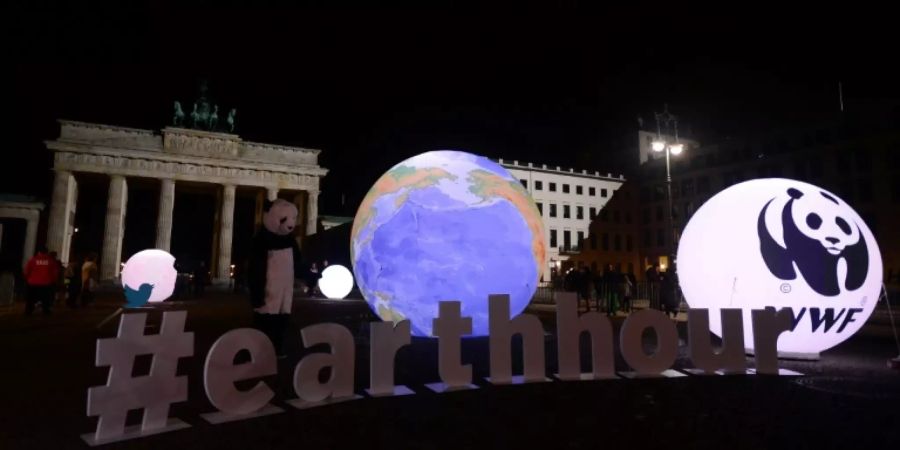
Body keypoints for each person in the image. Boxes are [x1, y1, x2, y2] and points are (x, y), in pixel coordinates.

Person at [23, 246, 59, 316]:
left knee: (31, 299)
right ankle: (46, 310)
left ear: (39, 252)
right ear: (46, 252)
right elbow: (55, 273)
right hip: (46, 283)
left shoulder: (33, 260)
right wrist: (53, 281)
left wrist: (27, 279)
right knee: (46, 299)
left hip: (33, 283)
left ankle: (28, 311)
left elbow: (27, 271)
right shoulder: (51, 261)